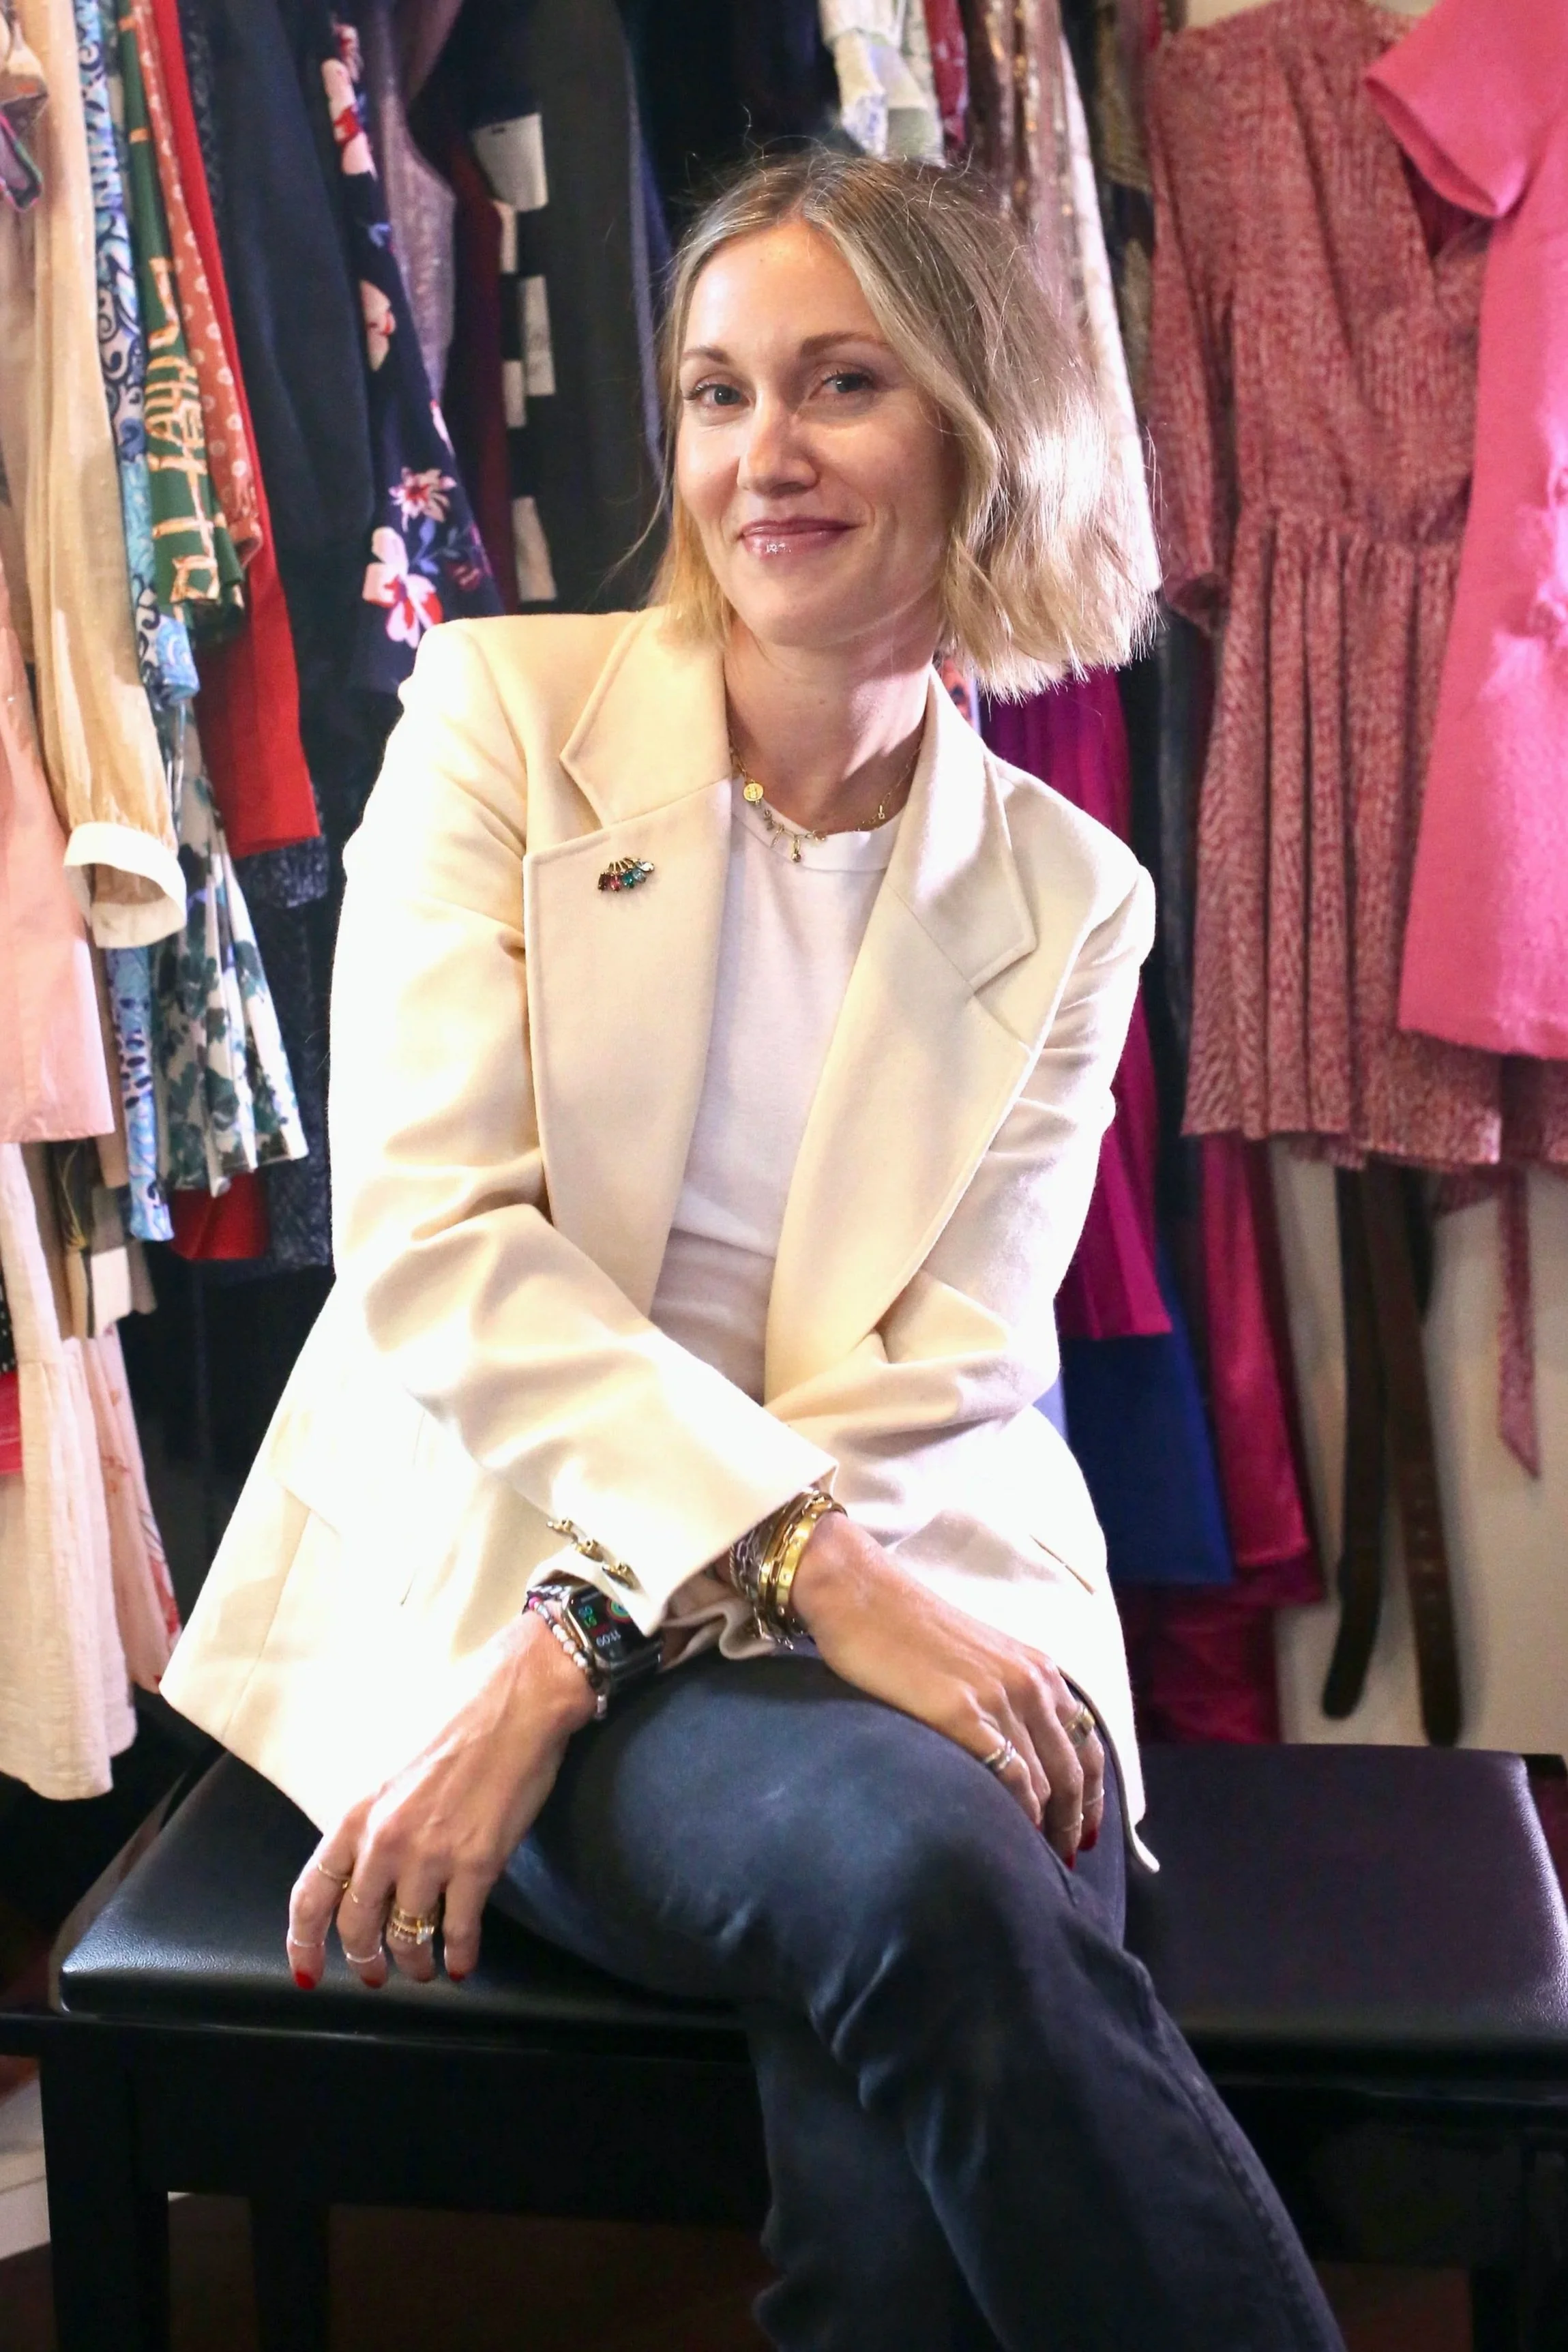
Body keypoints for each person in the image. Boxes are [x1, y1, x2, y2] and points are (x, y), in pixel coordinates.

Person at [161, 151, 1344, 2352]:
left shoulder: (1075, 894)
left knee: (915, 2050)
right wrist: (632, 1628)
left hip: (920, 1568)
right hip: (533, 1545)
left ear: (980, 436)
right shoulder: (502, 723)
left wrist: (627, 1646)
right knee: (926, 1878)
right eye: (716, 393)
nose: (760, 455)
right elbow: (446, 1254)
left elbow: (942, 1364)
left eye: (837, 384)